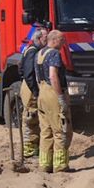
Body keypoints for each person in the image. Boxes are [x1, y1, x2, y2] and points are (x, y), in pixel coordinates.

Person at [34, 29, 74, 172]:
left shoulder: (39, 53)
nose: (63, 43)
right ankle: (61, 166)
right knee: (61, 130)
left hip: (42, 93)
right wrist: (60, 97)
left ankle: (45, 165)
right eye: (62, 40)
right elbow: (53, 75)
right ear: (54, 40)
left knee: (46, 132)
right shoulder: (54, 54)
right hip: (52, 93)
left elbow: (38, 76)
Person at [18, 25, 48, 160]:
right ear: (39, 38)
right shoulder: (32, 51)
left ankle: (33, 149)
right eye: (45, 38)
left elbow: (20, 69)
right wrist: (36, 92)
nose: (47, 41)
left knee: (33, 118)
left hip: (28, 86)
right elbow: (29, 74)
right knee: (31, 119)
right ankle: (29, 152)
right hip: (30, 88)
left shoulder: (30, 49)